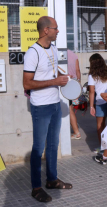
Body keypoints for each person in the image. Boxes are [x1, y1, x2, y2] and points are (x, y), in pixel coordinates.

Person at [23, 16, 73, 203]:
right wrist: (55, 81)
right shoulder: (32, 53)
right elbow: (26, 83)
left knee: (53, 145)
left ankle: (51, 180)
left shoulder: (52, 48)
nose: (58, 31)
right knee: (38, 148)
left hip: (54, 104)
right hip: (41, 106)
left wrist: (65, 77)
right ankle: (36, 188)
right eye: (55, 28)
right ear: (46, 30)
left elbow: (53, 71)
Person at [67, 49, 82, 140]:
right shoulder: (73, 55)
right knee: (70, 108)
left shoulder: (57, 53)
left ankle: (76, 132)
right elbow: (78, 70)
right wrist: (78, 83)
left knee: (69, 109)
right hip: (73, 84)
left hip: (64, 84)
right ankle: (76, 131)